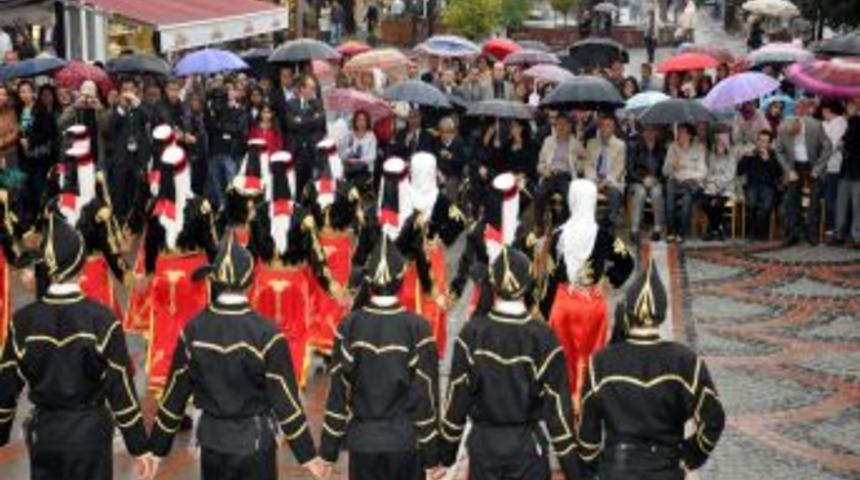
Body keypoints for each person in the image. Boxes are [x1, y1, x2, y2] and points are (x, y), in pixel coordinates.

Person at [148, 234, 328, 480]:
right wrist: (308, 457)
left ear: (213, 280)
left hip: (212, 443)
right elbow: (286, 402)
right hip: (255, 443)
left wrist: (155, 452)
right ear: (251, 283)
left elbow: (173, 399)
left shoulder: (193, 331)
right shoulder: (268, 334)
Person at [0, 216, 157, 480]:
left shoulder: (23, 322)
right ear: (82, 266)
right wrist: (140, 447)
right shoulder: (102, 320)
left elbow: (5, 390)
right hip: (90, 436)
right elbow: (121, 390)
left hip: (45, 435)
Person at [440, 246, 580, 480]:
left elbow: (456, 403)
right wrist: (575, 471)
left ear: (492, 285)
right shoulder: (543, 338)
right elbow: (559, 416)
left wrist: (445, 455)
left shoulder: (472, 334)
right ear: (528, 284)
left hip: (484, 451)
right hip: (527, 451)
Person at [578, 260, 726, 479]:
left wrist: (595, 466)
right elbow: (713, 420)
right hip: (665, 468)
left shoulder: (600, 363)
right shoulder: (685, 361)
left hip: (617, 469)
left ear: (628, 311)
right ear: (662, 312)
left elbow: (587, 437)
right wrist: (689, 456)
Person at [318, 235, 443, 480]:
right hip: (405, 443)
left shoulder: (349, 326)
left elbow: (338, 394)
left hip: (363, 445)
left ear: (369, 281)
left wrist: (328, 453)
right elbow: (426, 396)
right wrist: (432, 455)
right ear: (401, 280)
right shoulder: (418, 328)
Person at [248, 150, 341, 386]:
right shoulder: (303, 216)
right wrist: (330, 284)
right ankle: (292, 377)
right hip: (295, 285)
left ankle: (261, 374)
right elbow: (317, 256)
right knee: (297, 333)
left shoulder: (258, 214)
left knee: (262, 333)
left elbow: (250, 252)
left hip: (265, 283)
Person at [541, 179, 634, 404]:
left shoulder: (557, 236)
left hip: (564, 306)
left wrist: (545, 311)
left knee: (564, 359)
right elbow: (627, 262)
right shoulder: (604, 236)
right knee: (592, 358)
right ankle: (590, 402)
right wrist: (609, 281)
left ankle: (564, 402)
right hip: (593, 306)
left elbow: (549, 278)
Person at [136, 142, 217, 392]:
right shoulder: (200, 206)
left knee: (165, 328)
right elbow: (211, 244)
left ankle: (165, 382)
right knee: (193, 329)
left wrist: (148, 274)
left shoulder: (154, 207)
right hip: (192, 275)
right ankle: (194, 381)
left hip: (163, 273)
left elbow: (149, 246)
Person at [43, 128, 129, 317]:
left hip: (64, 275)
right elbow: (108, 246)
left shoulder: (53, 206)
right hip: (91, 269)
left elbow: (47, 245)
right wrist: (124, 273)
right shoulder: (94, 208)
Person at [399, 152, 466, 356]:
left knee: (430, 300)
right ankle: (413, 344)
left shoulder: (438, 199)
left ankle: (426, 347)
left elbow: (459, 221)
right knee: (411, 298)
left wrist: (441, 238)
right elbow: (460, 221)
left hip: (427, 256)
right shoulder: (408, 195)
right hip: (412, 258)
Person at [450, 172, 536, 316]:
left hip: (499, 295)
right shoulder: (519, 232)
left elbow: (465, 263)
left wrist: (456, 290)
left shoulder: (481, 230)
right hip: (503, 296)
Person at [303, 139, 360, 356]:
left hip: (319, 242)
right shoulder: (348, 189)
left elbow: (304, 215)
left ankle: (321, 336)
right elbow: (358, 220)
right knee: (332, 287)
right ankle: (332, 336)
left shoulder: (309, 188)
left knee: (322, 287)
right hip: (338, 242)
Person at [775, 115, 833, 245]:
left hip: (813, 164)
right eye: (791, 135)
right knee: (791, 199)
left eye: (796, 134)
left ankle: (811, 234)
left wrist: (817, 169)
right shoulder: (783, 129)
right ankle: (792, 233)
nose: (794, 137)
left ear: (800, 125)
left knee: (814, 201)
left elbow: (827, 147)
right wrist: (789, 170)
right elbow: (778, 151)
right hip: (795, 165)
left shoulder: (815, 126)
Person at [107, 79, 152, 224]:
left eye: (130, 89)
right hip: (121, 159)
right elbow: (111, 127)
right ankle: (120, 221)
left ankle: (136, 223)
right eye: (124, 89)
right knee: (119, 193)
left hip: (138, 158)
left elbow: (149, 118)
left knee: (137, 191)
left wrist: (136, 103)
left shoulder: (140, 107)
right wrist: (121, 108)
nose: (127, 92)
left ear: (135, 91)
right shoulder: (116, 108)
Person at [206, 82, 248, 209]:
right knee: (217, 184)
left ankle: (233, 211)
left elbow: (238, 129)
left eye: (232, 90)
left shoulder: (241, 110)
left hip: (231, 152)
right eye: (227, 91)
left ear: (237, 93)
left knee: (231, 184)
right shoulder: (216, 109)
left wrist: (222, 128)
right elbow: (211, 126)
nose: (229, 93)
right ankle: (222, 209)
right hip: (215, 151)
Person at [664, 123, 707, 243]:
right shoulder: (672, 147)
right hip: (674, 180)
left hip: (689, 183)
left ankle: (681, 233)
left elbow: (703, 172)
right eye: (678, 132)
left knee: (687, 199)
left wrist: (687, 173)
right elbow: (665, 171)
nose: (679, 135)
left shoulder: (699, 148)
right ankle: (671, 231)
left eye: (682, 132)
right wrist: (672, 166)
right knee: (670, 197)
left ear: (690, 135)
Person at [737, 130, 782, 241]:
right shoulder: (751, 154)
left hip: (768, 186)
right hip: (752, 185)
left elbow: (778, 174)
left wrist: (767, 160)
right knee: (752, 204)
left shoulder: (774, 155)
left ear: (770, 144)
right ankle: (753, 233)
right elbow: (739, 171)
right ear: (756, 141)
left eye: (765, 141)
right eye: (760, 141)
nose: (762, 144)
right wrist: (745, 158)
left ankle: (761, 234)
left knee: (766, 207)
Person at [285, 75, 327, 196]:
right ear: (302, 89)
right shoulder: (291, 104)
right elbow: (291, 125)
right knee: (297, 186)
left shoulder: (318, 103)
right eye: (311, 88)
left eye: (314, 88)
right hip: (297, 152)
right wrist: (311, 120)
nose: (313, 91)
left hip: (313, 151)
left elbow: (321, 125)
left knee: (313, 186)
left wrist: (301, 121)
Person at [584, 115, 626, 232]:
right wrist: (593, 179)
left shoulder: (620, 145)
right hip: (594, 180)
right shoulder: (591, 143)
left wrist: (605, 182)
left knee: (615, 193)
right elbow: (588, 164)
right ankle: (587, 224)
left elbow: (619, 169)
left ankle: (610, 224)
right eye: (602, 126)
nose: (605, 129)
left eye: (608, 126)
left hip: (611, 181)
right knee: (584, 191)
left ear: (613, 128)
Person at [628, 125, 667, 245]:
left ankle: (657, 229)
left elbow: (666, 170)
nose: (649, 133)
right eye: (646, 130)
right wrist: (642, 179)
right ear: (642, 133)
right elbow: (630, 169)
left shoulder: (662, 149)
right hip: (638, 181)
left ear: (656, 132)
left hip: (656, 181)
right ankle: (634, 230)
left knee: (657, 193)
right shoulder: (635, 147)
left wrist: (656, 179)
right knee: (640, 192)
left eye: (652, 130)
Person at [703, 127, 739, 241]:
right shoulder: (711, 156)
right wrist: (714, 183)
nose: (720, 147)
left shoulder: (732, 157)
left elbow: (730, 175)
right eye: (718, 144)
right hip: (712, 187)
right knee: (704, 203)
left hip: (727, 187)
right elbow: (707, 173)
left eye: (722, 144)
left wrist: (719, 184)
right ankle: (718, 227)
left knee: (717, 204)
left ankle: (711, 229)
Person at [834, 99, 860, 248]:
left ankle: (853, 236)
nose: (848, 108)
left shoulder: (854, 122)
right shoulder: (850, 122)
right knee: (843, 204)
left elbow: (847, 142)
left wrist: (842, 144)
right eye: (848, 105)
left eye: (850, 106)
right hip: (847, 169)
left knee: (855, 206)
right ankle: (842, 234)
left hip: (855, 171)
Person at [820, 100, 847, 240]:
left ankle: (833, 229)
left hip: (834, 166)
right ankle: (828, 226)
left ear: (828, 110)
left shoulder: (840, 122)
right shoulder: (827, 123)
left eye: (823, 110)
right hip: (825, 166)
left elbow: (833, 145)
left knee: (832, 199)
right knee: (825, 198)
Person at [434, 116, 467, 200]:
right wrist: (438, 172)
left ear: (452, 132)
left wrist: (451, 156)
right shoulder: (436, 142)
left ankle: (450, 208)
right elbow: (434, 159)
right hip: (439, 173)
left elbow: (463, 162)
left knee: (450, 185)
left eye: (447, 132)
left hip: (454, 175)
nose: (444, 135)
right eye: (442, 132)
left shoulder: (459, 143)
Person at [342, 109, 378, 183]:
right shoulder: (350, 135)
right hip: (350, 167)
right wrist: (348, 154)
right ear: (355, 121)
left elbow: (372, 157)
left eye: (363, 120)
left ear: (367, 122)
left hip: (365, 170)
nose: (360, 122)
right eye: (358, 120)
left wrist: (358, 161)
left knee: (358, 180)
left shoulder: (371, 136)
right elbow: (344, 152)